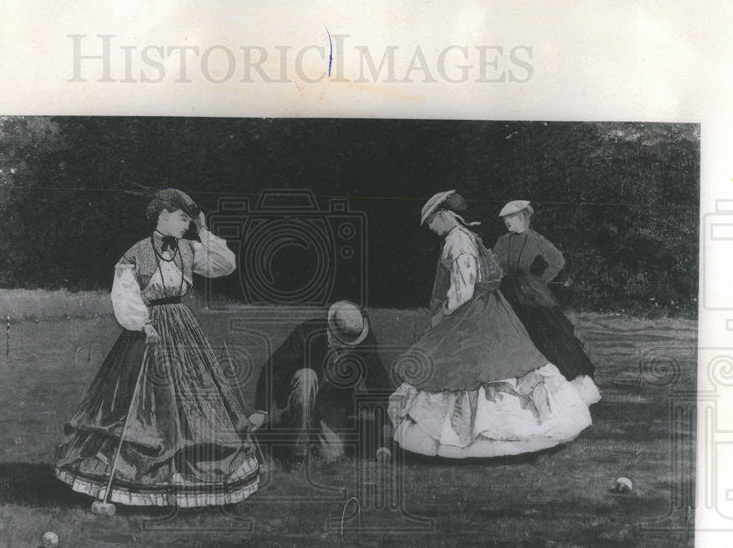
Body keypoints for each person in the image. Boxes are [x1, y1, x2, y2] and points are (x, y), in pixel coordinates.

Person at [55, 188, 262, 512]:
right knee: (141, 405)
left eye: (189, 222)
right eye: (182, 219)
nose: (186, 226)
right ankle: (129, 480)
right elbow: (124, 294)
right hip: (148, 330)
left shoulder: (189, 248)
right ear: (163, 214)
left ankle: (190, 479)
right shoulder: (135, 252)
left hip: (182, 327)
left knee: (196, 401)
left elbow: (226, 264)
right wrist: (142, 324)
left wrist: (204, 231)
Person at [388, 190, 592, 458]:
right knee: (494, 364)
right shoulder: (467, 236)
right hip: (489, 308)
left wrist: (442, 315)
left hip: (473, 312)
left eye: (431, 221)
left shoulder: (458, 240)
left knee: (472, 368)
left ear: (442, 215)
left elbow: (463, 290)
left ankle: (474, 438)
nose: (430, 228)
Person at [250, 301, 393, 463]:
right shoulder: (307, 332)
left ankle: (297, 424)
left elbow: (379, 387)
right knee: (307, 376)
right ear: (331, 328)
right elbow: (275, 367)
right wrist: (261, 411)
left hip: (331, 403)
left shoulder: (364, 342)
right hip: (300, 391)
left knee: (333, 455)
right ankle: (299, 453)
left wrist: (384, 442)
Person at [493, 200, 600, 405]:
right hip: (505, 292)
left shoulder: (536, 240)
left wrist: (539, 281)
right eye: (505, 219)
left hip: (529, 293)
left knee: (546, 333)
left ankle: (559, 387)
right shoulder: (502, 241)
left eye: (511, 217)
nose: (507, 222)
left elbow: (558, 261)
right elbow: (494, 264)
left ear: (523, 217)